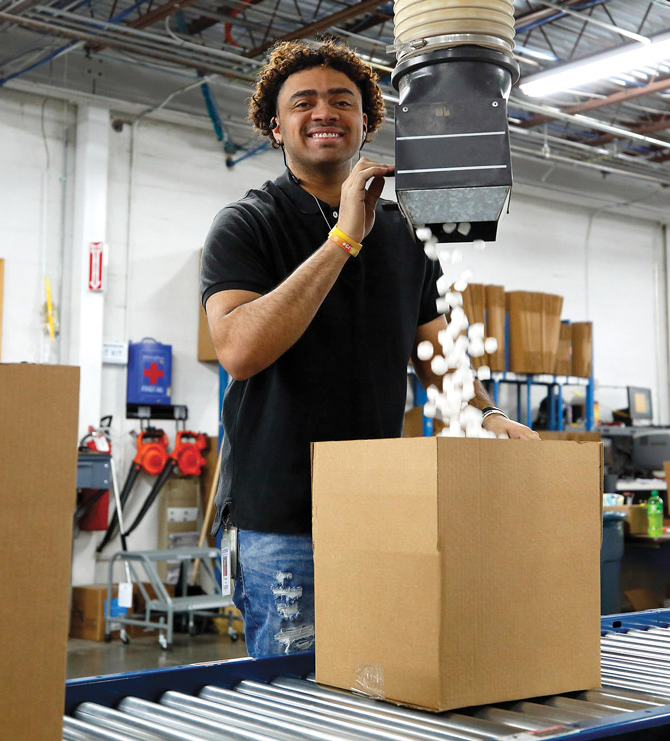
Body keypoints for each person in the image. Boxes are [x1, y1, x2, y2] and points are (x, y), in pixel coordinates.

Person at [200, 38, 539, 658]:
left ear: (367, 121)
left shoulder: (406, 232)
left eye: (342, 101)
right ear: (276, 127)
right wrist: (343, 239)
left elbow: (437, 354)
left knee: (378, 681)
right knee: (297, 699)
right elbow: (239, 350)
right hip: (281, 516)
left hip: (379, 504)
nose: (324, 111)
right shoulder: (246, 224)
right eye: (303, 102)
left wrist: (486, 417)